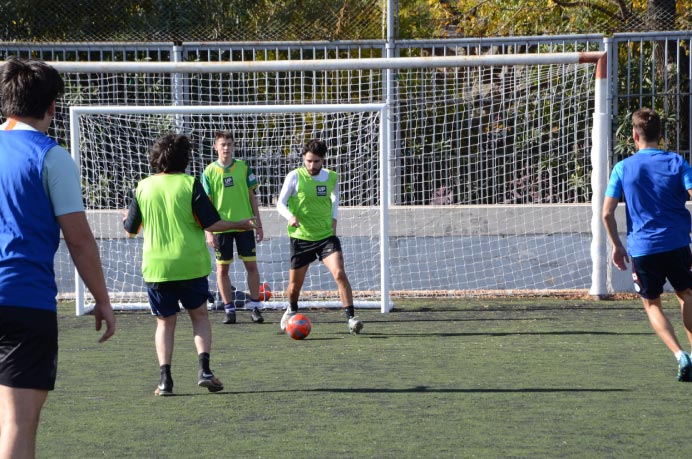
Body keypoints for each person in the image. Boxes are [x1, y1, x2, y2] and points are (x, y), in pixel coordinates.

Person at [0, 57, 116, 458]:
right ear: (52, 107)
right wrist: (102, 299)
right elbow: (79, 240)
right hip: (22, 300)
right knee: (18, 423)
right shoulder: (51, 157)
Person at [123, 133, 255, 396]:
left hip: (157, 268)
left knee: (164, 323)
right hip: (190, 265)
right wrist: (239, 224)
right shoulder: (189, 184)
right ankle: (204, 370)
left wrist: (125, 217)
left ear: (156, 158)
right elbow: (211, 224)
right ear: (184, 158)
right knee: (199, 317)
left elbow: (130, 230)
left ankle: (165, 381)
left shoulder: (142, 187)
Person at [602, 107, 692, 382]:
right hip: (677, 244)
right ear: (660, 135)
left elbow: (606, 213)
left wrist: (617, 245)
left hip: (643, 248)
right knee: (687, 295)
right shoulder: (678, 163)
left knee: (652, 304)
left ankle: (680, 355)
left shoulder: (622, 168)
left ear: (634, 135)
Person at [276, 139, 363, 334]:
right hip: (301, 237)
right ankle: (291, 308)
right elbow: (280, 203)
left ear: (323, 160)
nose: (311, 165)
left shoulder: (331, 177)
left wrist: (333, 218)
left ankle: (351, 318)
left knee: (339, 273)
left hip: (325, 236)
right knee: (294, 286)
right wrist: (290, 216)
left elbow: (335, 197)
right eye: (308, 161)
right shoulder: (294, 176)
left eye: (316, 161)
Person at [202, 131, 265, 325]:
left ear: (233, 146)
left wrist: (259, 225)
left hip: (245, 225)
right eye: (223, 144)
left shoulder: (243, 167)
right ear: (215, 147)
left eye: (229, 144)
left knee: (252, 266)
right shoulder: (209, 172)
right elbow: (206, 205)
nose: (226, 148)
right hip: (221, 228)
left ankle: (255, 307)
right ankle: (229, 309)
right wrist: (208, 231)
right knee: (222, 270)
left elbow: (252, 197)